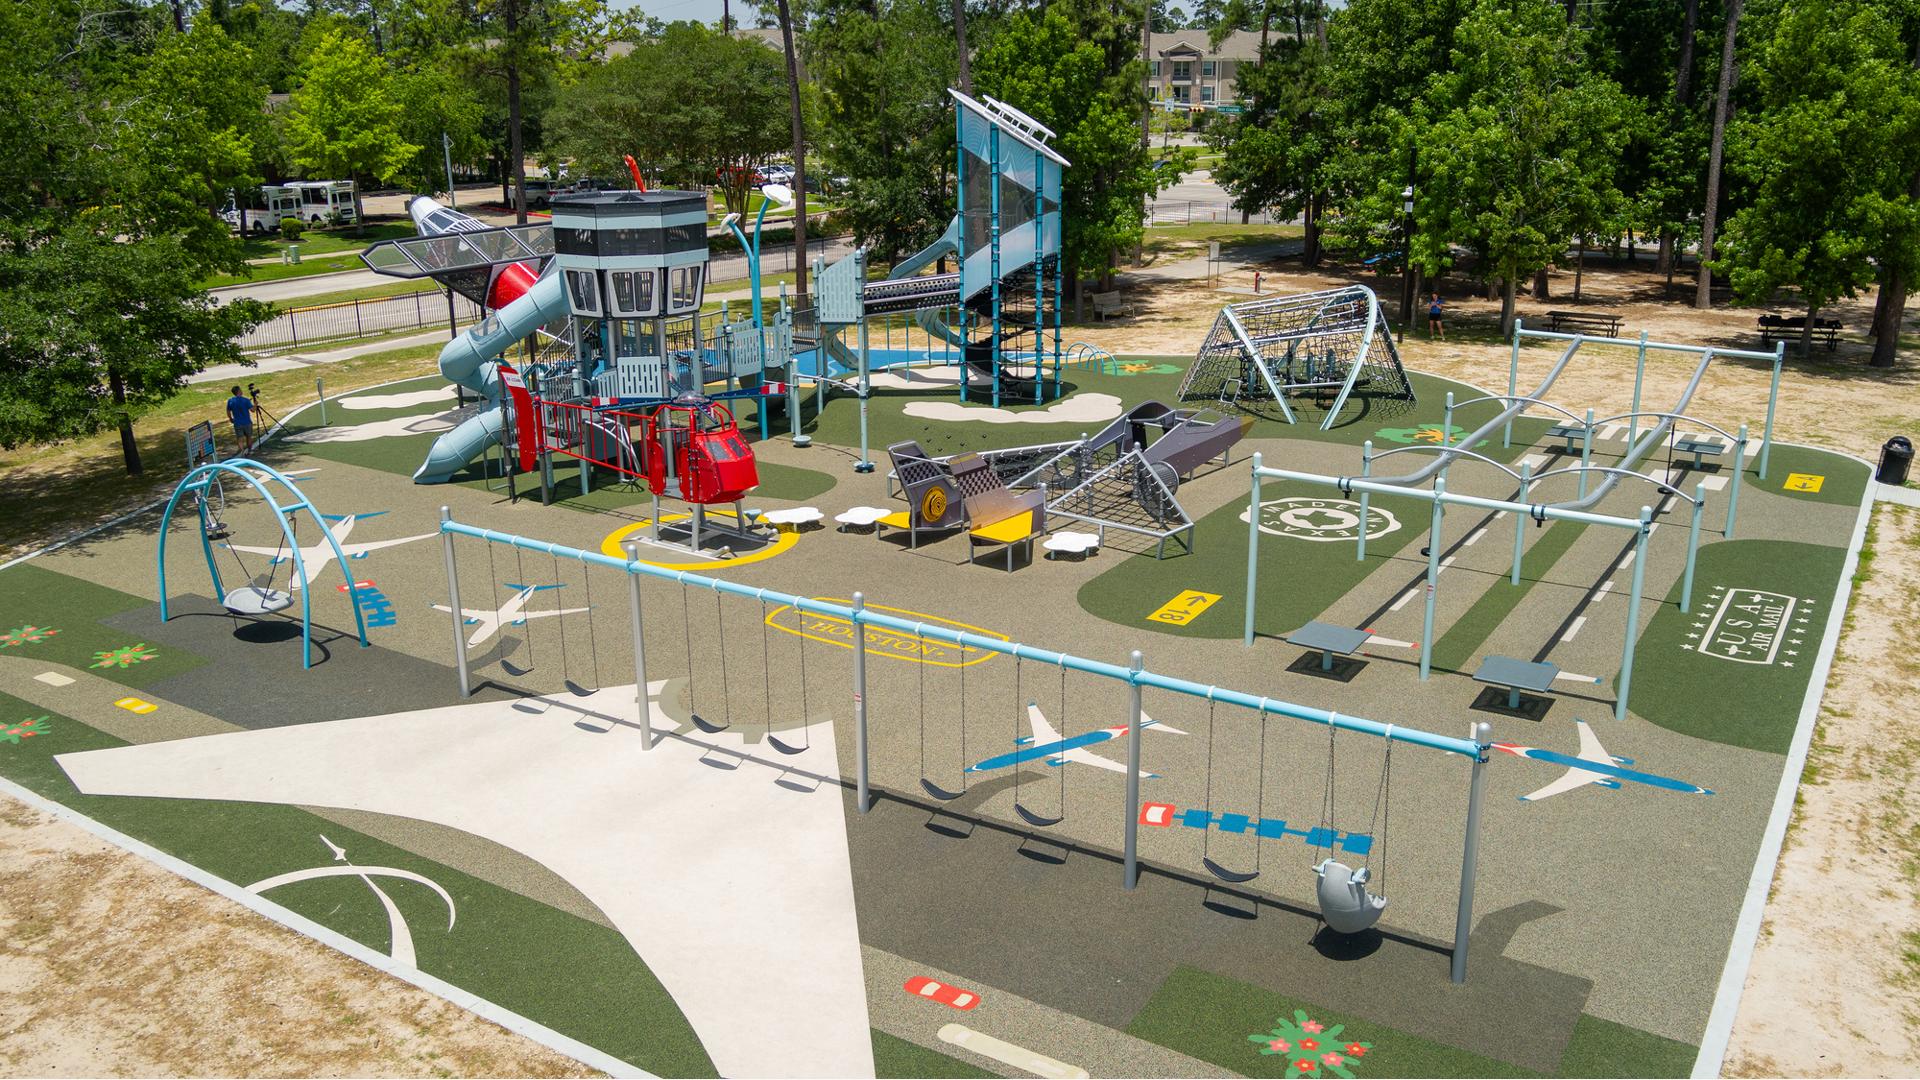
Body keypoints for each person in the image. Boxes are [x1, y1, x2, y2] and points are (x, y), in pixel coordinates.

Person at [226, 386, 256, 456]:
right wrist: (255, 404)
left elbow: (228, 411)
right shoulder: (246, 400)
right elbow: (253, 410)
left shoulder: (230, 401)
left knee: (240, 439)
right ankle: (249, 451)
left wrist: (230, 418)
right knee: (249, 437)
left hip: (237, 423)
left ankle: (242, 452)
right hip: (247, 422)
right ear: (239, 391)